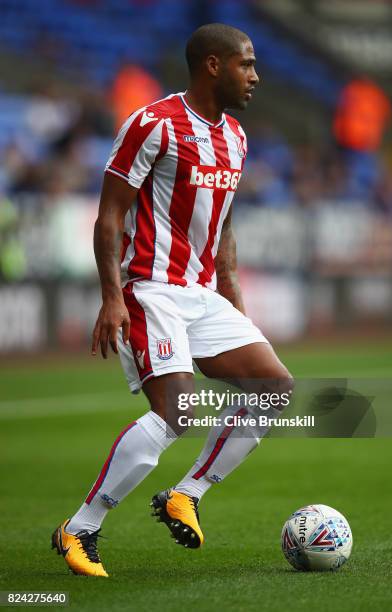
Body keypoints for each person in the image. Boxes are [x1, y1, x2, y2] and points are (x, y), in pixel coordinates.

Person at [51, 23, 293, 578]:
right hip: (151, 288)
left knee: (275, 386)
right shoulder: (153, 124)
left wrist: (234, 305)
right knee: (175, 411)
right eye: (246, 65)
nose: (255, 76)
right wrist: (112, 297)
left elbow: (224, 230)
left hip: (203, 294)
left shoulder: (235, 136)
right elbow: (110, 213)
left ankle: (187, 493)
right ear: (213, 65)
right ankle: (80, 527)